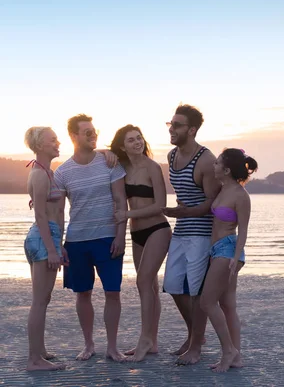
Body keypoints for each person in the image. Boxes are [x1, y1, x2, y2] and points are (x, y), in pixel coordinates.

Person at [54, 114, 128, 362]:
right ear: (73, 136)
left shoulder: (110, 163)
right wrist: (58, 244)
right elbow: (59, 212)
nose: (93, 135)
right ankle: (88, 345)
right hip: (76, 242)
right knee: (82, 293)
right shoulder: (62, 172)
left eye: (94, 131)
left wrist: (120, 235)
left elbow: (120, 201)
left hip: (107, 238)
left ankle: (113, 347)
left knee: (112, 293)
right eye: (87, 132)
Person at [162, 104, 221, 365]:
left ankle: (195, 346)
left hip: (201, 233)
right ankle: (194, 334)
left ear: (192, 129)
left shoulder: (206, 160)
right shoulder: (171, 156)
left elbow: (213, 203)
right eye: (170, 124)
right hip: (181, 230)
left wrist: (181, 213)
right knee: (174, 285)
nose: (171, 129)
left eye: (177, 125)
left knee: (196, 291)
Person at [109, 124, 172, 362]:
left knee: (143, 281)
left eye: (139, 138)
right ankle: (152, 342)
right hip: (137, 235)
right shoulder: (121, 168)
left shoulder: (152, 167)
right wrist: (109, 154)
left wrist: (127, 215)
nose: (137, 142)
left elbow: (160, 205)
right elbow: (101, 156)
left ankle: (145, 339)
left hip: (157, 229)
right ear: (122, 145)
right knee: (150, 287)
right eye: (131, 140)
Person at [200, 148, 257, 372]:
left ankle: (228, 351)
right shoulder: (222, 190)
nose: (213, 166)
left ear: (226, 169)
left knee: (207, 302)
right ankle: (237, 357)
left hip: (228, 251)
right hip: (216, 250)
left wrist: (236, 257)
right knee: (227, 305)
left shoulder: (241, 195)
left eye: (217, 163)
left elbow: (243, 230)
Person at [23, 127, 68, 371]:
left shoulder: (46, 172)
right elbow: (41, 215)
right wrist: (52, 250)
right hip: (42, 237)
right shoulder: (39, 175)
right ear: (40, 145)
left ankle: (39, 351)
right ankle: (33, 360)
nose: (57, 142)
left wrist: (59, 246)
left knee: (44, 299)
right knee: (39, 301)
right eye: (53, 140)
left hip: (47, 237)